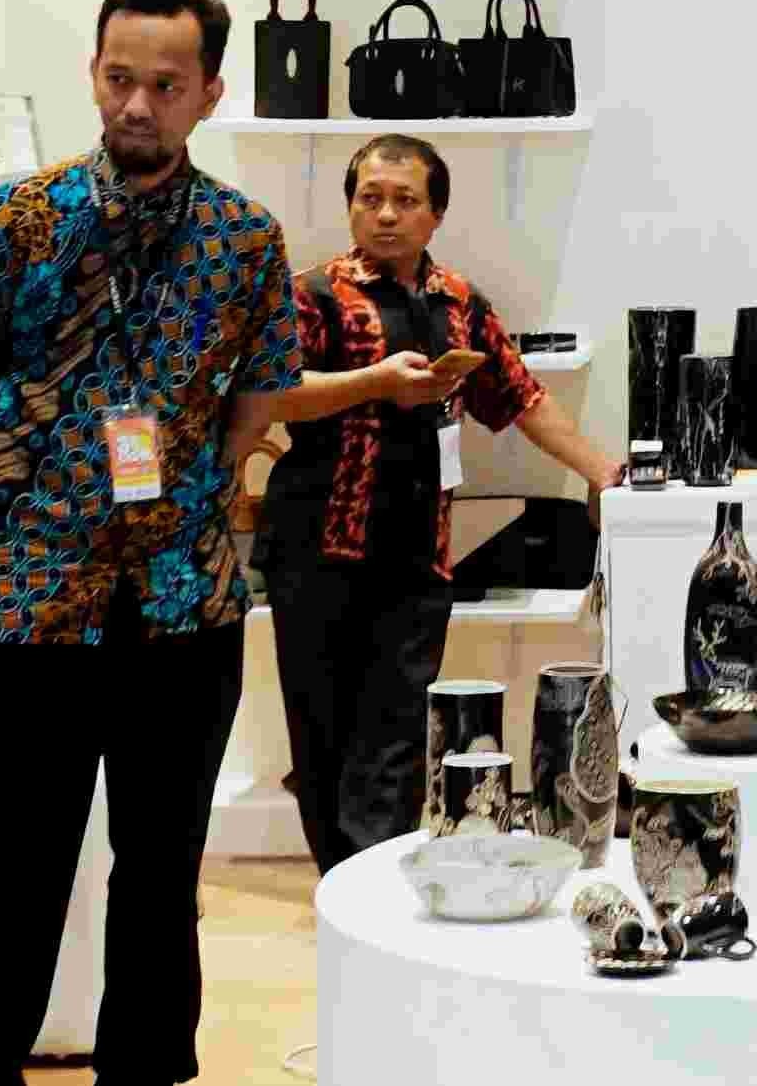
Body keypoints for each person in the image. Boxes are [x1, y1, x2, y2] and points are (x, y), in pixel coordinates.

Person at [0, 0, 308, 1086]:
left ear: (209, 92)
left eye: (165, 84)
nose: (138, 104)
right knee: (7, 860)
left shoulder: (244, 238)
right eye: (119, 77)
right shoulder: (14, 220)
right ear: (95, 74)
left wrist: (191, 491)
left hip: (182, 599)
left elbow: (261, 392)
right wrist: (25, 499)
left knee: (161, 862)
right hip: (25, 597)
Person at [262, 133, 618, 870]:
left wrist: (600, 471)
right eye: (370, 198)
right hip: (317, 550)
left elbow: (520, 397)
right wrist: (375, 383)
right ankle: (343, 883)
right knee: (321, 732)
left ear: (436, 214)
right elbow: (276, 395)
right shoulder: (313, 293)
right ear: (351, 207)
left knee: (396, 733)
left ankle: (374, 882)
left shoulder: (459, 302)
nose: (386, 214)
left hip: (420, 554)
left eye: (405, 200)